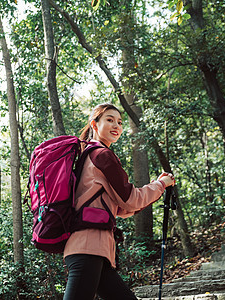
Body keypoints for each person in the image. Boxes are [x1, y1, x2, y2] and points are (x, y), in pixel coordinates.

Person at [63, 103, 175, 300]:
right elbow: (131, 200)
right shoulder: (102, 156)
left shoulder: (88, 156)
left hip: (97, 251)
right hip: (88, 248)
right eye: (109, 120)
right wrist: (160, 185)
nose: (117, 125)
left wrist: (154, 188)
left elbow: (122, 208)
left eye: (120, 122)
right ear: (94, 125)